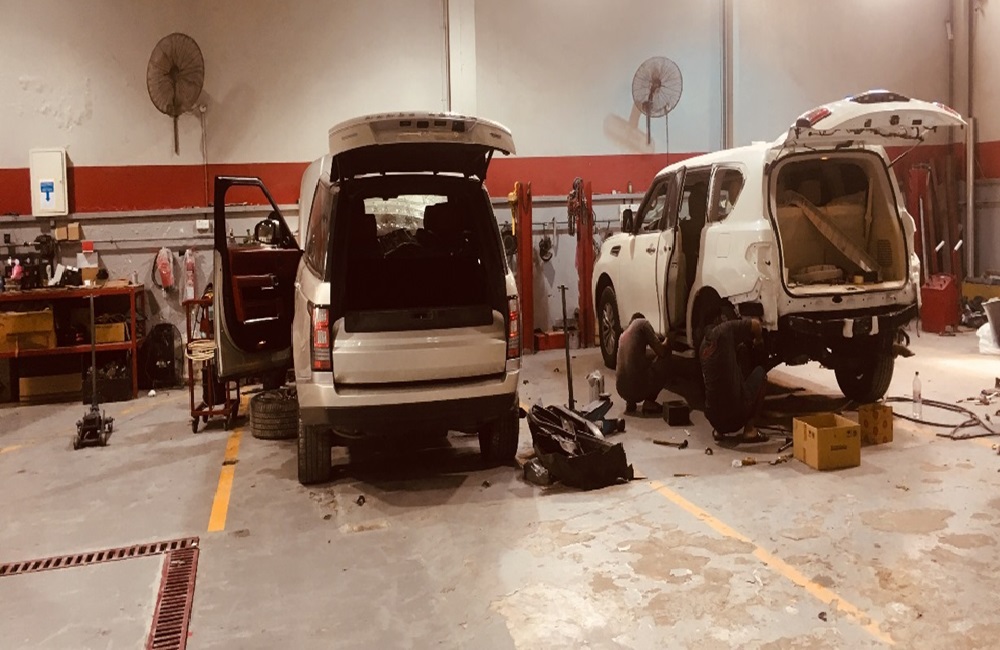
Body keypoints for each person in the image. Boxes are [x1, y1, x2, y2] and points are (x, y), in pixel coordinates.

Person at [699, 314, 767, 439]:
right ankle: (750, 430)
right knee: (761, 373)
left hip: (714, 420)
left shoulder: (703, 348)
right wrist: (758, 340)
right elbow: (756, 324)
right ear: (718, 320)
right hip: (736, 418)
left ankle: (719, 431)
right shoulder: (724, 330)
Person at [615, 313, 671, 415]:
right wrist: (668, 339)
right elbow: (661, 351)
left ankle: (630, 402)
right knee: (666, 355)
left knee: (632, 364)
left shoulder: (624, 334)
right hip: (637, 388)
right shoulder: (643, 324)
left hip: (621, 390)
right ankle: (649, 402)